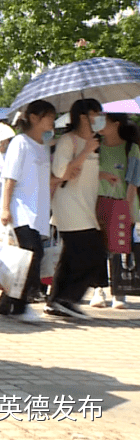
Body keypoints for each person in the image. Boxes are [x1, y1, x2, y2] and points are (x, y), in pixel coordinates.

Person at [0, 99, 57, 324]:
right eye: (49, 117)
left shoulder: (41, 146)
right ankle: (22, 305)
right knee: (32, 256)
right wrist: (5, 208)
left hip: (37, 212)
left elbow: (44, 180)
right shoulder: (20, 143)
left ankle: (6, 303)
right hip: (21, 211)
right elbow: (9, 178)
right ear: (34, 118)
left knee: (24, 260)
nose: (53, 122)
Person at [44, 99, 104, 319]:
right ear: (83, 116)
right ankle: (67, 298)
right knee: (94, 253)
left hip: (86, 206)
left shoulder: (95, 142)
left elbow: (86, 172)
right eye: (96, 113)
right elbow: (61, 173)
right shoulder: (69, 141)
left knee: (70, 257)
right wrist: (85, 151)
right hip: (69, 205)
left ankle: (56, 300)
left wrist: (103, 175)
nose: (100, 117)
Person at [92, 113, 140, 309]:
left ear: (116, 124)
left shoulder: (131, 148)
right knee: (98, 248)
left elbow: (133, 181)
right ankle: (98, 290)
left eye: (105, 120)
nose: (100, 124)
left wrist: (127, 209)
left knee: (120, 247)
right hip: (98, 203)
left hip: (123, 204)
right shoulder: (95, 146)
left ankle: (120, 292)